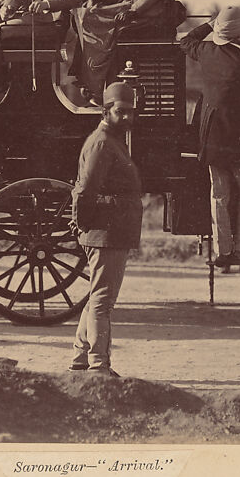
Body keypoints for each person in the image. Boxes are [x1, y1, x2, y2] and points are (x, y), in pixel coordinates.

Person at [180, 6, 240, 269]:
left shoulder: (206, 52)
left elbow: (186, 41)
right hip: (237, 137)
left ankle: (223, 252)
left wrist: (210, 24)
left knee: (219, 194)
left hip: (211, 136)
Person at [69, 82, 142, 376]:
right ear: (105, 110)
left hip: (111, 229)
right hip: (106, 231)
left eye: (130, 113)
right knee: (102, 301)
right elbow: (85, 190)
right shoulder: (101, 143)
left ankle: (80, 358)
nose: (127, 118)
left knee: (96, 296)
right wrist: (84, 224)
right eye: (120, 112)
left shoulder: (112, 140)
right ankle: (99, 365)